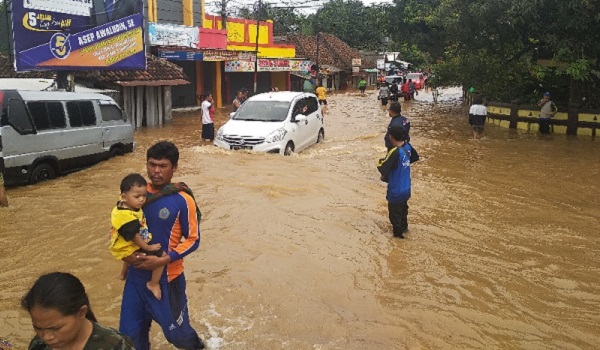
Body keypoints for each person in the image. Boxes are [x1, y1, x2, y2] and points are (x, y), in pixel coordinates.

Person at [119, 141, 204, 350]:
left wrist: (164, 259)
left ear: (174, 168)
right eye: (152, 164)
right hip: (135, 281)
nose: (156, 171)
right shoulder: (133, 194)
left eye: (163, 166)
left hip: (168, 281)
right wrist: (125, 258)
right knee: (130, 339)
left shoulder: (183, 199)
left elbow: (193, 239)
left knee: (180, 338)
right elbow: (119, 228)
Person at [21, 272, 134, 350]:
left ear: (81, 312)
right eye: (38, 328)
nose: (46, 337)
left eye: (55, 328)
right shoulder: (39, 345)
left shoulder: (116, 346)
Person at [110, 173, 165, 300]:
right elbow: (135, 237)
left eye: (144, 196)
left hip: (121, 244)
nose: (141, 200)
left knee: (130, 254)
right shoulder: (127, 216)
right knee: (162, 257)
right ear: (124, 196)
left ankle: (123, 274)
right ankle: (153, 284)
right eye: (137, 196)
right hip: (128, 245)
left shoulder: (123, 205)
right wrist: (148, 247)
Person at [377, 126, 413, 239]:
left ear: (391, 137)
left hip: (395, 191)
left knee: (395, 217)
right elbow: (414, 158)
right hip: (406, 188)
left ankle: (399, 241)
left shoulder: (394, 152)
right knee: (403, 211)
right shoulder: (408, 147)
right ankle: (405, 228)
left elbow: (382, 167)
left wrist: (378, 161)